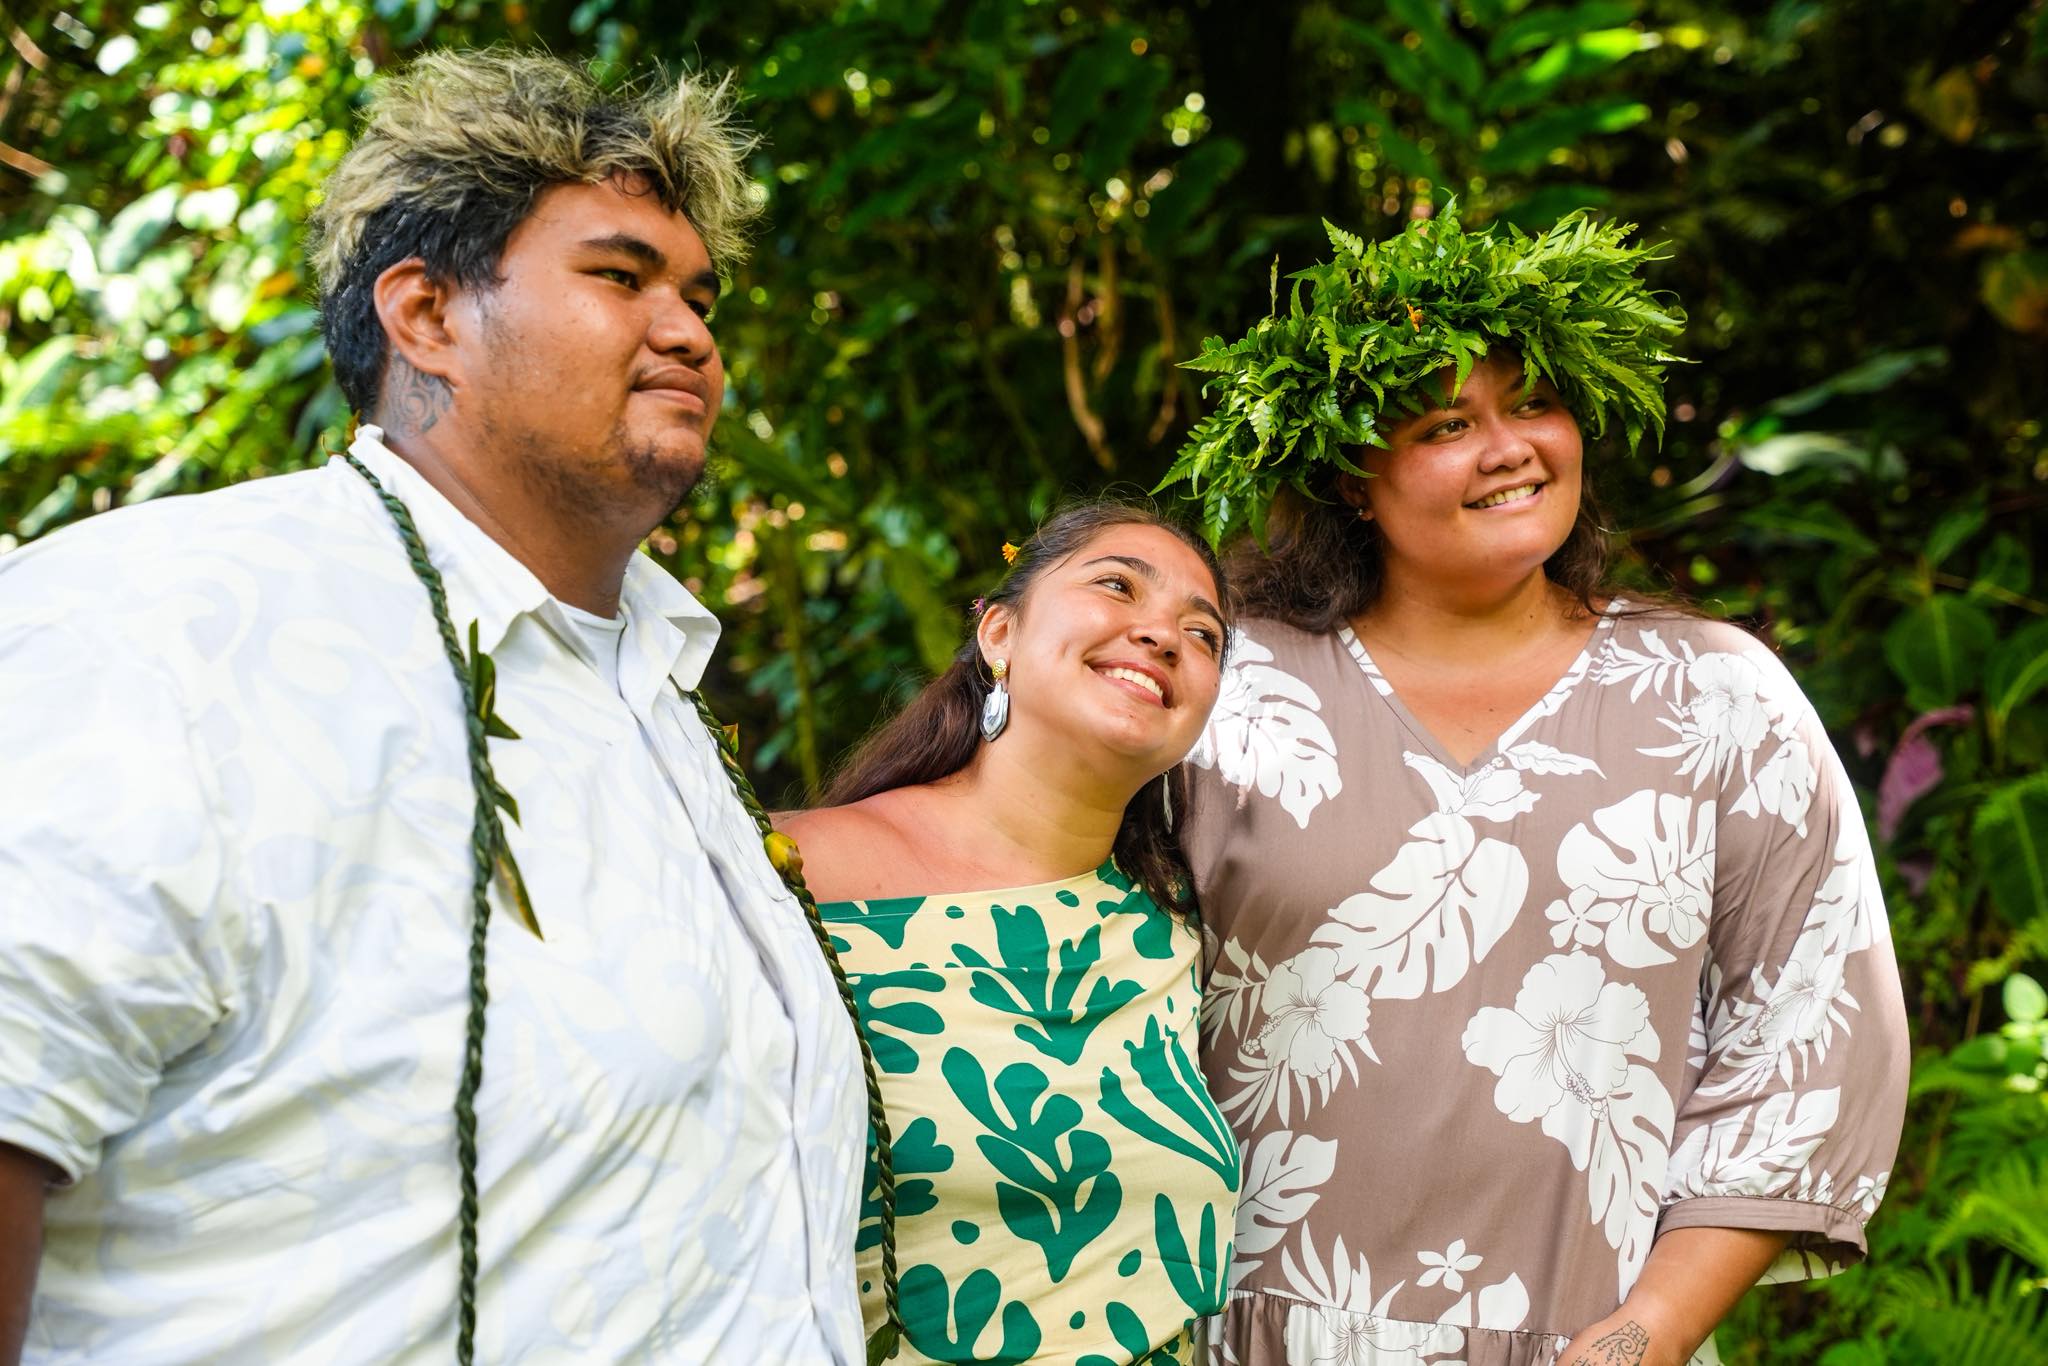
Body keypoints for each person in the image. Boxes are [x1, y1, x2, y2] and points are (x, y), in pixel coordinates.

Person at [0, 50, 885, 1365]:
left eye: (700, 294)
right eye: (619, 274)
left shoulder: (663, 691)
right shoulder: (173, 623)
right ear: (423, 315)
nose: (694, 330)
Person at [1158, 209, 1910, 1365]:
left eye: (1530, 405)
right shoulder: (1228, 691)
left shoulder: (1713, 696)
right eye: (1445, 422)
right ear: (1352, 475)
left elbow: (1812, 1030)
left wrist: (1639, 1338)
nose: (1505, 445)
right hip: (1248, 1341)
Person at [779, 502, 1242, 1364]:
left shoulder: (1168, 925)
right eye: (1116, 586)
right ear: (998, 633)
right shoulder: (791, 873)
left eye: (1203, 634)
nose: (1163, 635)